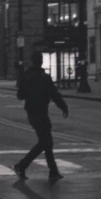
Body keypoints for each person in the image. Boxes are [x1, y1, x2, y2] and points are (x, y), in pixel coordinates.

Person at [13, 50, 68, 183]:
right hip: (42, 112)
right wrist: (63, 107)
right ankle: (22, 165)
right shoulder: (45, 77)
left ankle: (53, 171)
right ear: (41, 61)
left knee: (47, 142)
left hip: (31, 112)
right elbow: (54, 94)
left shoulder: (26, 76)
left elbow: (20, 95)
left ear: (32, 61)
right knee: (45, 142)